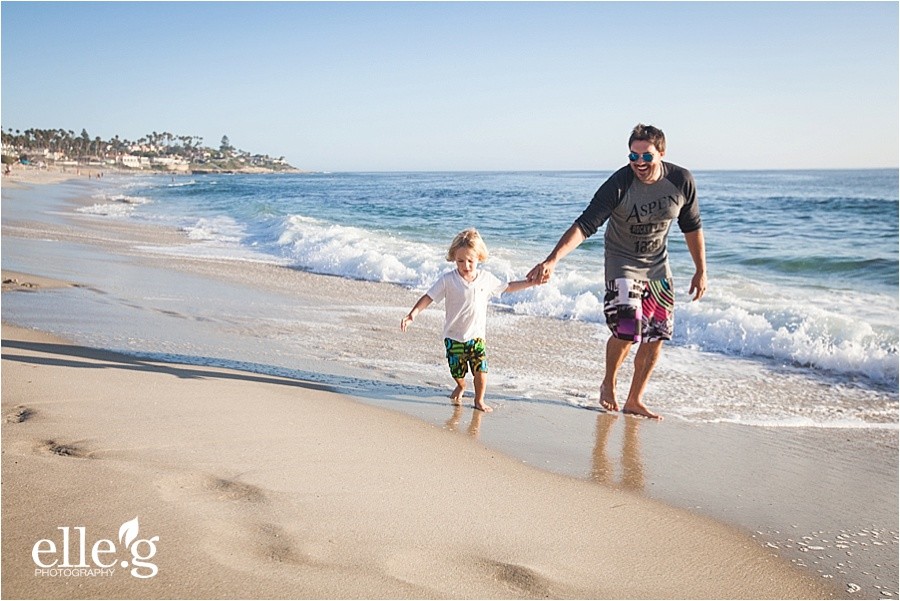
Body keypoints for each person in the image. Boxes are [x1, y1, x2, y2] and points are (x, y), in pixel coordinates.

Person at [526, 123, 707, 420]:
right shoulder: (620, 183)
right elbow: (585, 225)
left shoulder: (681, 180)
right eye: (633, 157)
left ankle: (635, 399)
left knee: (655, 337)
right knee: (626, 329)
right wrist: (552, 259)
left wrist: (701, 270)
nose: (639, 163)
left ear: (661, 153)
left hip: (658, 266)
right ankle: (609, 382)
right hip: (621, 261)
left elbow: (692, 226)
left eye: (646, 157)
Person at [401, 228, 536, 412]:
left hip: (477, 335)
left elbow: (508, 287)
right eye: (460, 261)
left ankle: (479, 400)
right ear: (454, 258)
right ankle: (461, 385)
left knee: (481, 367)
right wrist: (412, 314)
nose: (465, 265)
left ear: (479, 258)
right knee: (457, 371)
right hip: (453, 336)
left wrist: (530, 282)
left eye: (470, 261)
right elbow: (429, 296)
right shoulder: (448, 280)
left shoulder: (486, 279)